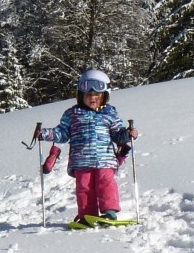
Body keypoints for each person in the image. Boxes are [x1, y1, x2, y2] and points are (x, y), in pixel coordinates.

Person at [35, 69, 140, 229]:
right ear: (80, 95)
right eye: (88, 95)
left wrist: (127, 134)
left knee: (106, 184)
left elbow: (117, 135)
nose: (92, 98)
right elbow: (62, 133)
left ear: (104, 96)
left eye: (97, 96)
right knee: (84, 188)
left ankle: (109, 211)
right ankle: (86, 215)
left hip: (104, 159)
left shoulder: (110, 114)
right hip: (81, 160)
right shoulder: (72, 114)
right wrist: (45, 134)